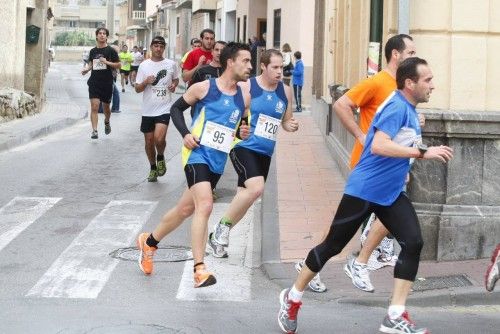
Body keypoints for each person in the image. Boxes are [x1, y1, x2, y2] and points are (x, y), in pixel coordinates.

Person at [278, 57, 453, 334]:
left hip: (390, 192)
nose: (433, 85)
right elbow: (380, 146)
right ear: (410, 83)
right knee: (331, 247)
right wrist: (422, 153)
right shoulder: (397, 107)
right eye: (427, 80)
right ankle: (293, 297)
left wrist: (409, 160)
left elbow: (397, 143)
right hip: (365, 189)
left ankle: (394, 315)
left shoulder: (407, 107)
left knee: (413, 242)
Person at [136, 42, 252, 289]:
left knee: (185, 210)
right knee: (206, 205)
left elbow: (240, 127)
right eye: (246, 61)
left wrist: (243, 132)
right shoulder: (204, 88)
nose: (249, 66)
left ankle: (149, 242)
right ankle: (199, 269)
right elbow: (176, 109)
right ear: (230, 62)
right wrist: (185, 134)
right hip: (196, 154)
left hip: (217, 162)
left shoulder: (244, 95)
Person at [335, 34, 418, 293]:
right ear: (396, 54)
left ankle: (363, 259)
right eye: (411, 52)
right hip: (370, 164)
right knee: (344, 226)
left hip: (391, 163)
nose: (414, 56)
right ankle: (354, 260)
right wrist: (361, 135)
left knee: (379, 215)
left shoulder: (403, 86)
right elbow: (341, 104)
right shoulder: (379, 81)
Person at [208, 49, 299, 258]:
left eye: (281, 68)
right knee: (256, 188)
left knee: (245, 196)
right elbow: (228, 110)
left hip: (265, 152)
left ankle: (218, 235)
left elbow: (285, 120)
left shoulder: (285, 92)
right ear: (263, 67)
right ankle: (221, 231)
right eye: (274, 67)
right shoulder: (247, 86)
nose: (279, 72)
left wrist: (289, 125)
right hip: (243, 146)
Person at [134, 36, 179, 182]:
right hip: (148, 110)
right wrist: (146, 81)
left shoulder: (171, 64)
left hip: (164, 108)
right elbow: (137, 89)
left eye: (161, 46)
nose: (158, 49)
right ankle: (153, 167)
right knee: (149, 142)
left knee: (159, 139)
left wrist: (174, 85)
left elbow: (176, 78)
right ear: (151, 47)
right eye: (156, 46)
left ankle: (160, 156)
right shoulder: (144, 66)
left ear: (164, 48)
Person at [81, 27, 121, 139]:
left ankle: (107, 121)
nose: (102, 35)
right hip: (94, 82)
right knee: (94, 107)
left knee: (106, 108)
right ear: (97, 36)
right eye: (100, 33)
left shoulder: (111, 51)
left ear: (106, 36)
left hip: (107, 82)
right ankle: (94, 131)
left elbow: (119, 65)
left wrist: (106, 62)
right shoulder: (93, 51)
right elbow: (91, 64)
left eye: (104, 33)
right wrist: (87, 70)